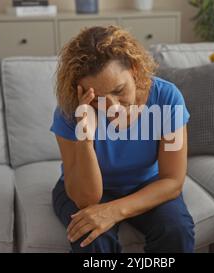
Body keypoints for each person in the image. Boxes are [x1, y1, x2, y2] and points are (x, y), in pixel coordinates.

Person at [50, 25, 194, 253]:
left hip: (147, 183)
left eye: (119, 90)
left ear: (135, 70)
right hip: (87, 188)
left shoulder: (167, 98)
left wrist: (114, 210)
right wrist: (85, 139)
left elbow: (172, 182)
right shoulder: (69, 111)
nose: (112, 108)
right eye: (97, 98)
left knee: (176, 230)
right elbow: (86, 200)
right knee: (90, 239)